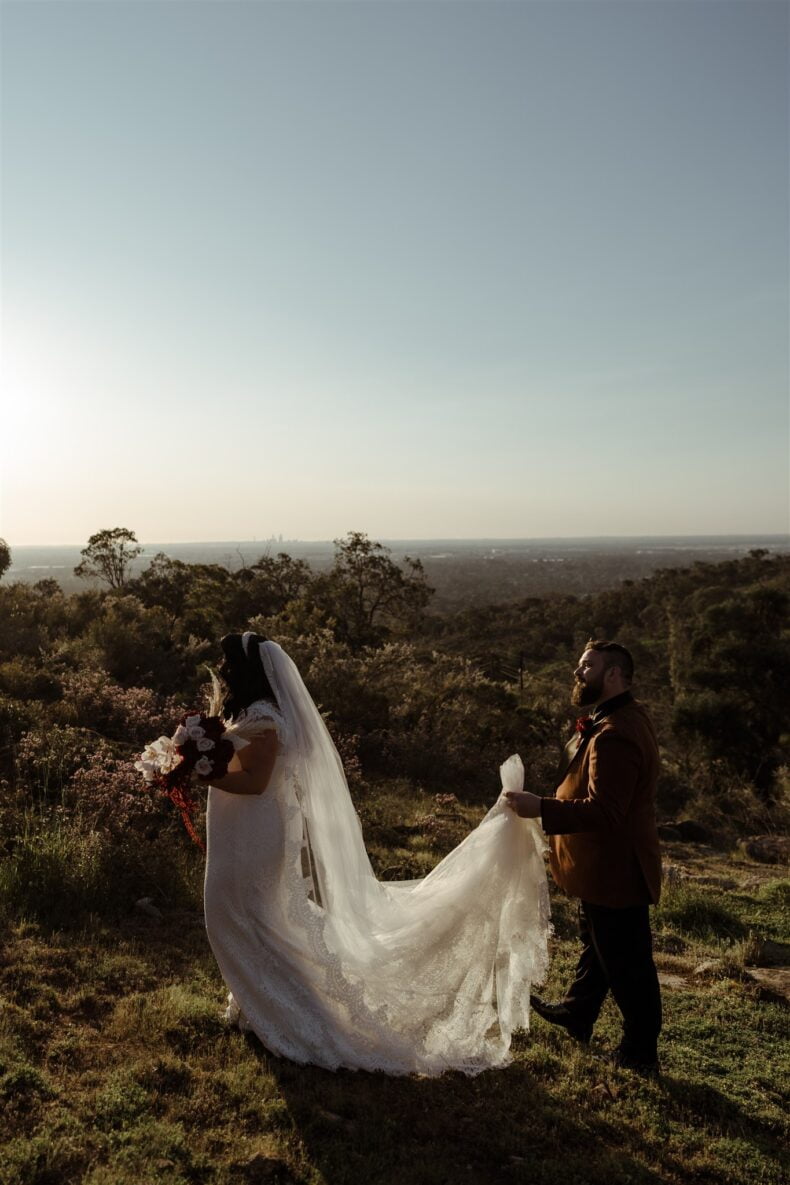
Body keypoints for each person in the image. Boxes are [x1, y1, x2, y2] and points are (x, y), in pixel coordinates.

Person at [202, 631, 550, 1076]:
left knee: (242, 917)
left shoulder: (266, 719)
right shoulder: (250, 713)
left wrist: (200, 772)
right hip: (239, 830)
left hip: (255, 834)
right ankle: (259, 1005)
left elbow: (254, 782)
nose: (222, 669)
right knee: (255, 920)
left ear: (246, 670)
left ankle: (295, 1016)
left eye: (228, 662)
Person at [505, 640, 663, 1075]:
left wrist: (541, 807)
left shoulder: (616, 734)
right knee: (599, 945)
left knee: (627, 962)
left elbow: (606, 811)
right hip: (602, 867)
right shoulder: (621, 717)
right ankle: (578, 1013)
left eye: (587, 666)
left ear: (613, 675)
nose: (578, 672)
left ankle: (640, 1051)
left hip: (617, 868)